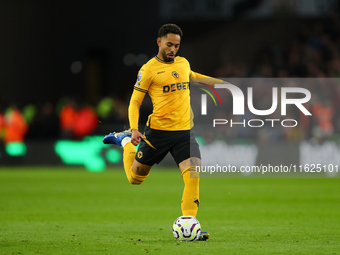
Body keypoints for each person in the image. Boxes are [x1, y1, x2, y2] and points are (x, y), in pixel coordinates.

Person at [103, 23, 223, 241]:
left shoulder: (183, 62)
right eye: (169, 45)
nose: (173, 50)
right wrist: (134, 129)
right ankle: (124, 142)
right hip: (157, 134)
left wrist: (222, 84)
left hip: (185, 132)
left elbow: (192, 76)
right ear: (159, 42)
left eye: (176, 46)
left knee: (193, 177)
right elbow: (134, 102)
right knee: (135, 179)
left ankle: (190, 227)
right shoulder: (148, 70)